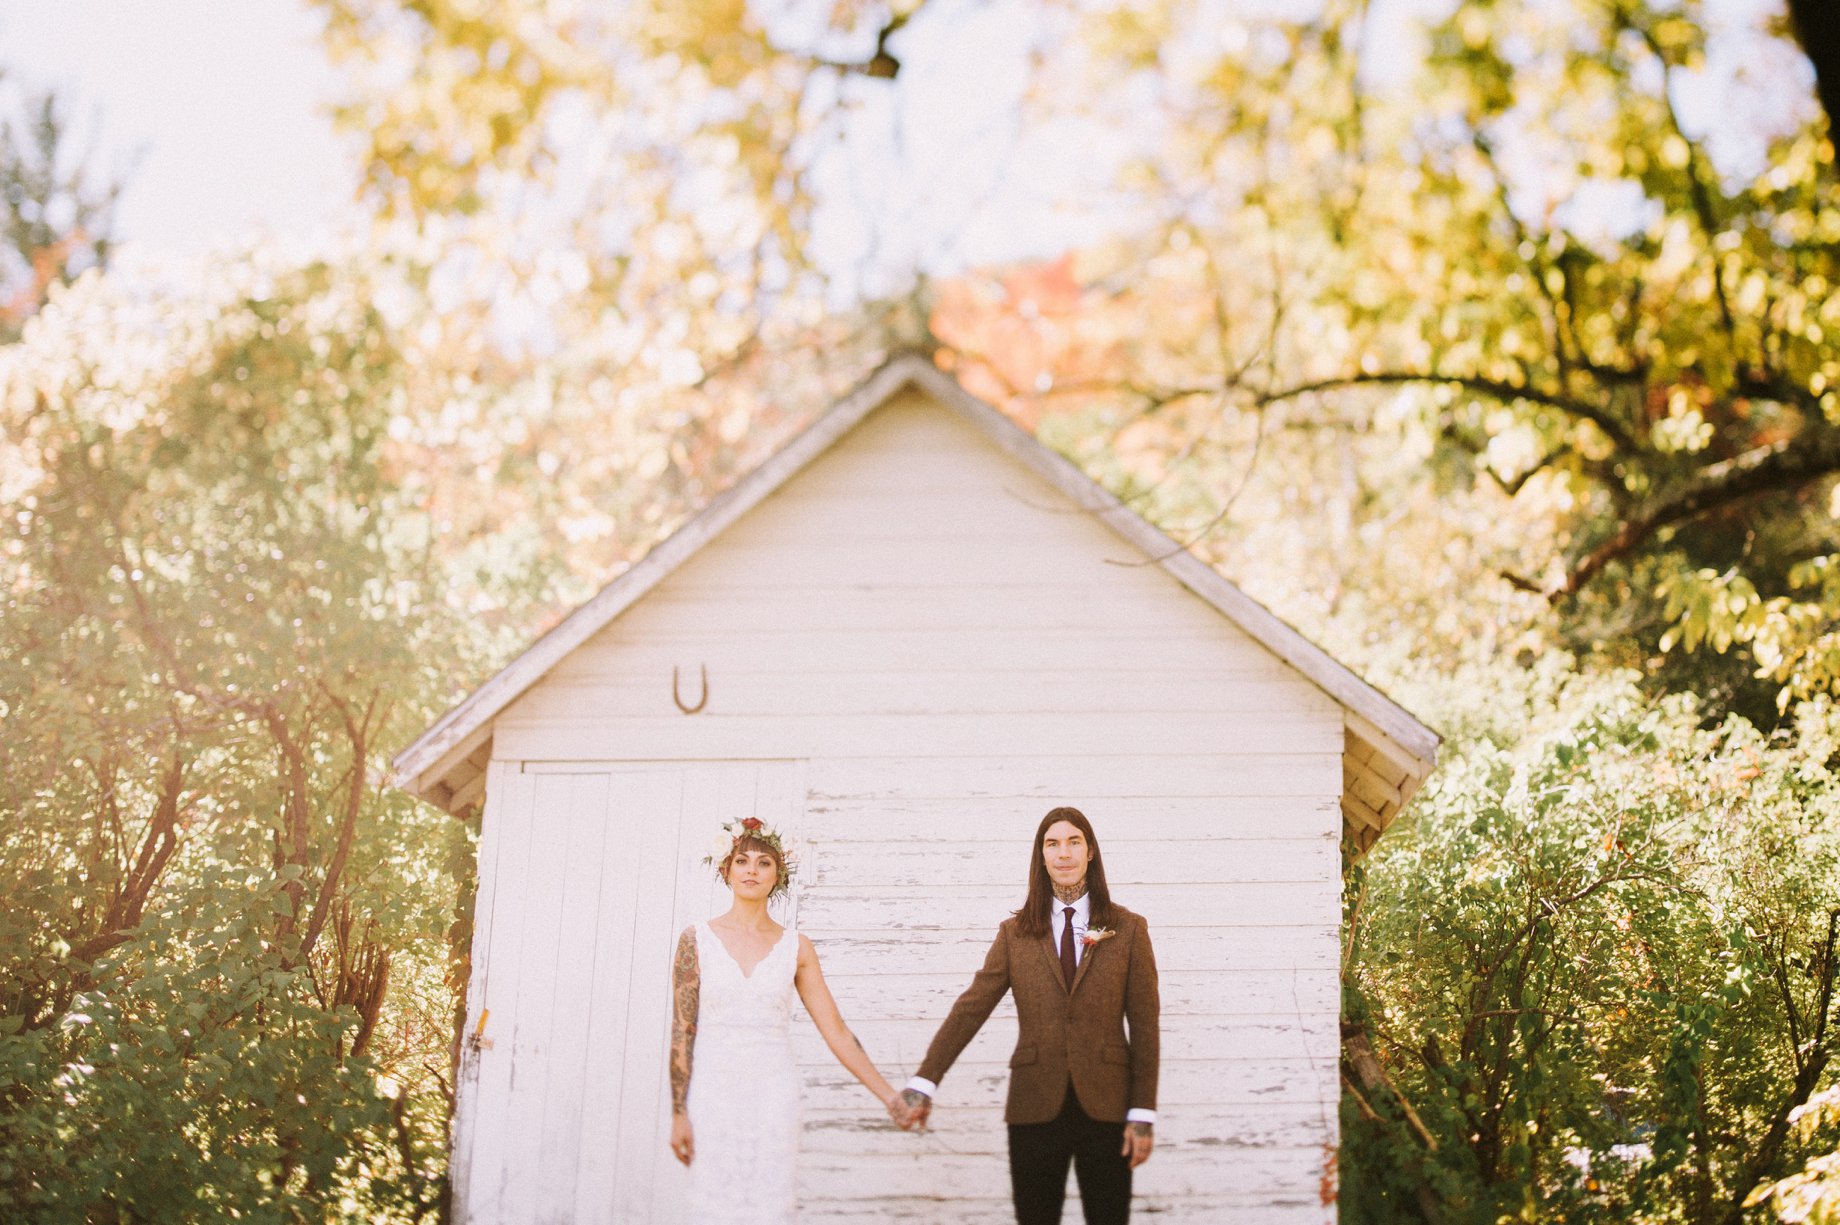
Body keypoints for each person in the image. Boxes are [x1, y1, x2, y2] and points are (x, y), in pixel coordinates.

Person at [895, 807, 1160, 1225]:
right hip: (1034, 1104)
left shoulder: (1128, 929)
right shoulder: (1015, 933)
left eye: (1074, 841)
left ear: (1090, 851)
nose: (1064, 853)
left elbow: (1145, 1026)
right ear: (1041, 856)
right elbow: (972, 1008)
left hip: (1109, 1105)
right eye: (1052, 844)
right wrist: (924, 1082)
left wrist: (1143, 1113)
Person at [669, 816, 906, 1224]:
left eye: (764, 863)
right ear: (726, 869)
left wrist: (889, 1096)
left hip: (773, 1095)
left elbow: (837, 1032)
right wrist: (678, 1112)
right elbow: (682, 1029)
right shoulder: (696, 938)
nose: (752, 871)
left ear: (778, 875)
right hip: (712, 1095)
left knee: (770, 1207)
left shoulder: (797, 947)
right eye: (742, 861)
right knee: (711, 1207)